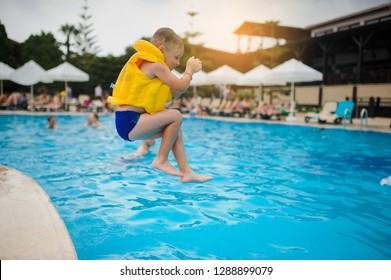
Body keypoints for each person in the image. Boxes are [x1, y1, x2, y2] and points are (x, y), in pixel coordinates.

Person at [108, 27, 212, 183]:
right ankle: (161, 159)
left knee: (175, 129)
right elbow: (181, 86)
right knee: (176, 116)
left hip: (128, 122)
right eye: (176, 57)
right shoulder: (155, 65)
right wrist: (189, 71)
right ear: (162, 50)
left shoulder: (152, 69)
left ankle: (186, 171)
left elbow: (176, 92)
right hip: (130, 121)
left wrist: (185, 79)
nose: (177, 63)